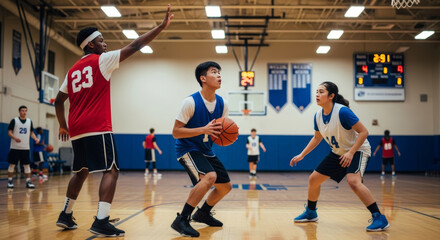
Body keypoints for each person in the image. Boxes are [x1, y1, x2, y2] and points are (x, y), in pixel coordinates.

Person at [54, 5, 173, 237]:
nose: (105, 44)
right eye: (101, 40)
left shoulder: (72, 71)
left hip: (77, 129)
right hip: (97, 126)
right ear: (90, 44)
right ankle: (101, 220)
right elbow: (135, 45)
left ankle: (65, 215)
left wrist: (62, 125)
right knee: (111, 170)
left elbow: (58, 101)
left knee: (81, 172)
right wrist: (160, 26)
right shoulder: (102, 61)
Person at [289, 81, 389, 232]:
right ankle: (311, 212)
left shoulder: (342, 112)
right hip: (338, 152)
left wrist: (351, 152)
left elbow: (364, 132)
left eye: (321, 92)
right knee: (313, 179)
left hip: (358, 150)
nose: (317, 94)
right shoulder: (317, 116)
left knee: (353, 181)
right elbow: (317, 138)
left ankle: (379, 217)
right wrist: (302, 154)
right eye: (317, 91)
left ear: (331, 96)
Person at [171, 61, 232, 237]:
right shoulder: (190, 102)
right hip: (187, 149)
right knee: (210, 177)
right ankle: (182, 219)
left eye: (220, 72)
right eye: (214, 72)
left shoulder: (223, 104)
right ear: (203, 78)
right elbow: (176, 132)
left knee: (225, 187)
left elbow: (220, 131)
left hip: (206, 150)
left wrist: (227, 135)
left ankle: (203, 213)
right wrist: (203, 129)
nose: (219, 75)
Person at [7, 105, 39, 189]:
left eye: (25, 111)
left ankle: (28, 181)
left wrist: (35, 138)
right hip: (15, 147)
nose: (24, 112)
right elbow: (9, 132)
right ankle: (10, 181)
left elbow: (31, 133)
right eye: (22, 111)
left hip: (25, 147)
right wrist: (14, 138)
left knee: (26, 165)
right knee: (12, 165)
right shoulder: (14, 120)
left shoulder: (29, 121)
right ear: (19, 112)